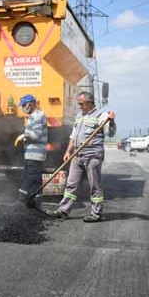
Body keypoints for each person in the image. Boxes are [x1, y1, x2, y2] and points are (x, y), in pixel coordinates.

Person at [47, 91, 116, 222]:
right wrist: (68, 151)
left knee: (94, 186)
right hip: (77, 154)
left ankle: (96, 213)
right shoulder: (79, 116)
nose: (79, 106)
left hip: (92, 155)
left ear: (89, 103)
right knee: (70, 185)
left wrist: (111, 122)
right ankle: (63, 210)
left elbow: (110, 133)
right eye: (78, 103)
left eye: (81, 103)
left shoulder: (101, 116)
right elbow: (73, 136)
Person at [13, 94, 48, 211]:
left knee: (29, 177)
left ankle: (21, 200)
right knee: (36, 179)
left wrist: (24, 135)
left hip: (35, 153)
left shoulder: (37, 116)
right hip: (34, 153)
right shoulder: (34, 115)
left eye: (23, 105)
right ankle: (36, 203)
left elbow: (36, 135)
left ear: (30, 104)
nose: (23, 108)